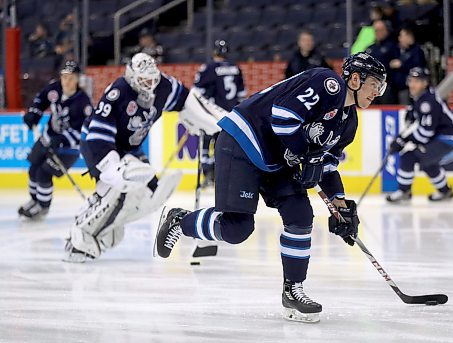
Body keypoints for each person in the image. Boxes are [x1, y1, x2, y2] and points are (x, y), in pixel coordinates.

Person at [155, 53, 387, 323]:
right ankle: (179, 221)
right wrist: (307, 155)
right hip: (244, 141)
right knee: (236, 229)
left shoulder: (348, 123)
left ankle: (293, 290)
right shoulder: (327, 83)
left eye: (380, 87)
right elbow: (283, 117)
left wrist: (340, 203)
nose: (377, 92)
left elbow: (327, 165)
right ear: (355, 79)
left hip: (278, 159)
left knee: (300, 215)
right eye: (374, 84)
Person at [64, 52, 222, 263]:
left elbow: (187, 99)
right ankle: (79, 238)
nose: (149, 85)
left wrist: (209, 120)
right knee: (117, 189)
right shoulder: (118, 92)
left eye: (152, 80)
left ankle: (107, 226)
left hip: (129, 148)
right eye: (143, 80)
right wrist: (111, 168)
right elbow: (97, 133)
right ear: (131, 76)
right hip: (98, 145)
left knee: (148, 191)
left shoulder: (164, 85)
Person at [18, 61, 92, 219]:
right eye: (64, 77)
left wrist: (62, 139)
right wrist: (34, 114)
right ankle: (34, 200)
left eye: (71, 77)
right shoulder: (54, 88)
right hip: (47, 137)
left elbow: (82, 131)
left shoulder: (83, 103)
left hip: (68, 148)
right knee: (33, 169)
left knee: (44, 174)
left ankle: (43, 207)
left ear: (78, 79)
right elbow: (40, 100)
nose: (67, 81)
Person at [386, 67, 453, 203]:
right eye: (410, 80)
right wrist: (413, 113)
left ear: (425, 83)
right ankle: (445, 191)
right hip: (444, 135)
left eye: (417, 81)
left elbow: (425, 133)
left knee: (409, 157)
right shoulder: (423, 97)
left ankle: (404, 191)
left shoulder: (427, 102)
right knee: (427, 162)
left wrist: (403, 140)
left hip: (447, 137)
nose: (412, 84)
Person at [193, 39, 246, 187]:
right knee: (223, 146)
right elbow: (241, 95)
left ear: (214, 52)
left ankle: (208, 175)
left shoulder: (209, 68)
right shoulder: (236, 68)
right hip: (231, 116)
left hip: (212, 114)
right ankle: (221, 177)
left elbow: (196, 92)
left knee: (205, 144)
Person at [390, 26, 427, 104]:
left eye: (402, 36)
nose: (400, 39)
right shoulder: (396, 50)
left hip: (407, 88)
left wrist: (402, 64)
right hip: (394, 87)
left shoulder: (417, 51)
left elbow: (418, 66)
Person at [365, 20, 399, 104]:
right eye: (376, 30)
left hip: (386, 85)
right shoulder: (370, 48)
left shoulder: (393, 47)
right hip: (371, 86)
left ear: (386, 30)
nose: (378, 33)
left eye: (380, 30)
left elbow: (395, 64)